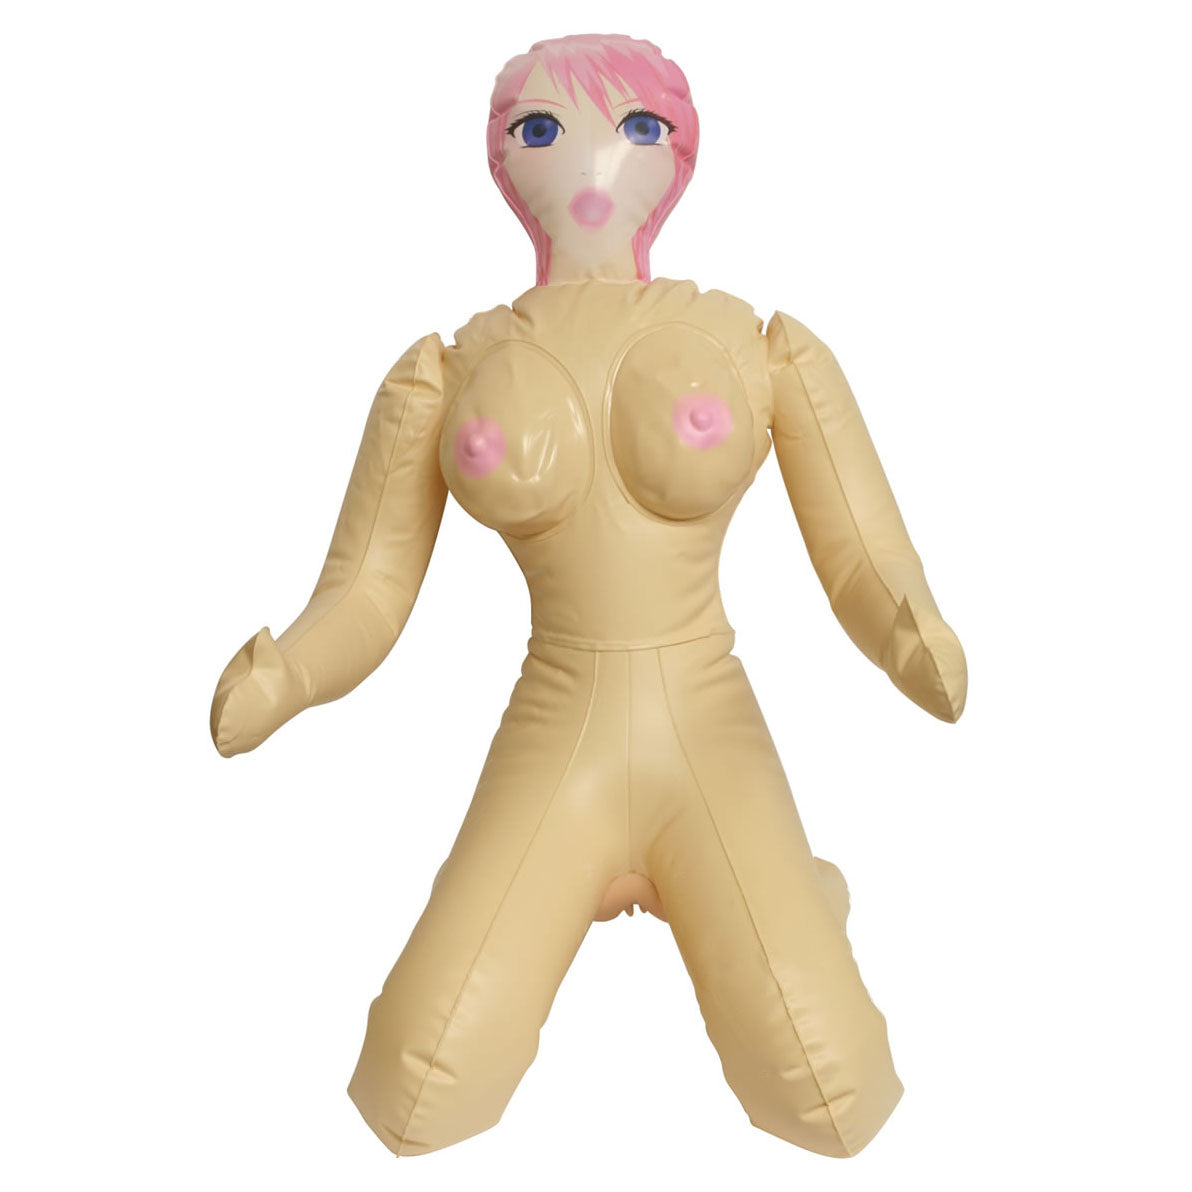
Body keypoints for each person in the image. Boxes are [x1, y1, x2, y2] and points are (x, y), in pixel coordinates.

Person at [210, 32, 967, 1160]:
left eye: (637, 125)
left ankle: (798, 894)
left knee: (827, 1097)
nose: (589, 157)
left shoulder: (753, 345)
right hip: (554, 730)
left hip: (706, 725)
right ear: (502, 160)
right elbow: (367, 586)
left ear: (679, 154)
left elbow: (859, 551)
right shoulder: (450, 368)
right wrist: (287, 675)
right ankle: (781, 894)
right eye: (539, 128)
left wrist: (913, 636)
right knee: (417, 1093)